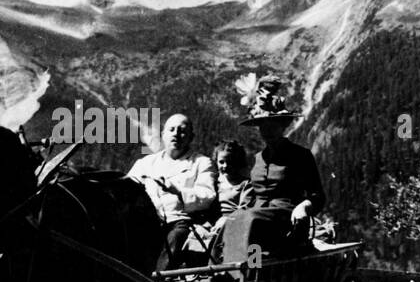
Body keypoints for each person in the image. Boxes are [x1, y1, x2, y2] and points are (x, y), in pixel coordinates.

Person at [221, 76, 326, 263]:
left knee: (251, 220)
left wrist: (304, 206)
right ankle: (222, 273)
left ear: (283, 126)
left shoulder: (301, 155)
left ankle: (253, 270)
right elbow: (251, 195)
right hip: (257, 214)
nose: (267, 131)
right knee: (231, 221)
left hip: (287, 217)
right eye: (262, 126)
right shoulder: (258, 158)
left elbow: (318, 196)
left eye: (272, 126)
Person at [127, 113, 216, 270]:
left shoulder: (202, 162)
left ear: (191, 137)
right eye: (171, 129)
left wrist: (177, 191)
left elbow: (207, 195)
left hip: (180, 221)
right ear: (163, 135)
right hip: (148, 221)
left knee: (176, 236)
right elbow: (126, 190)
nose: (176, 134)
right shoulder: (145, 163)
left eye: (182, 131)